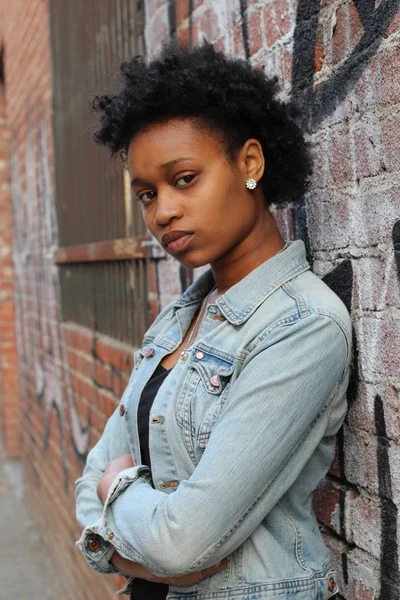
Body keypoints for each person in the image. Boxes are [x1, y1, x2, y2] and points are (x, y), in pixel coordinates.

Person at [75, 41, 351, 600]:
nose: (162, 212)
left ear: (249, 163)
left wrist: (118, 491)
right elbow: (88, 483)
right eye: (147, 193)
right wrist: (154, 562)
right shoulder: (179, 321)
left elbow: (185, 542)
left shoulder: (302, 327)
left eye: (184, 179)